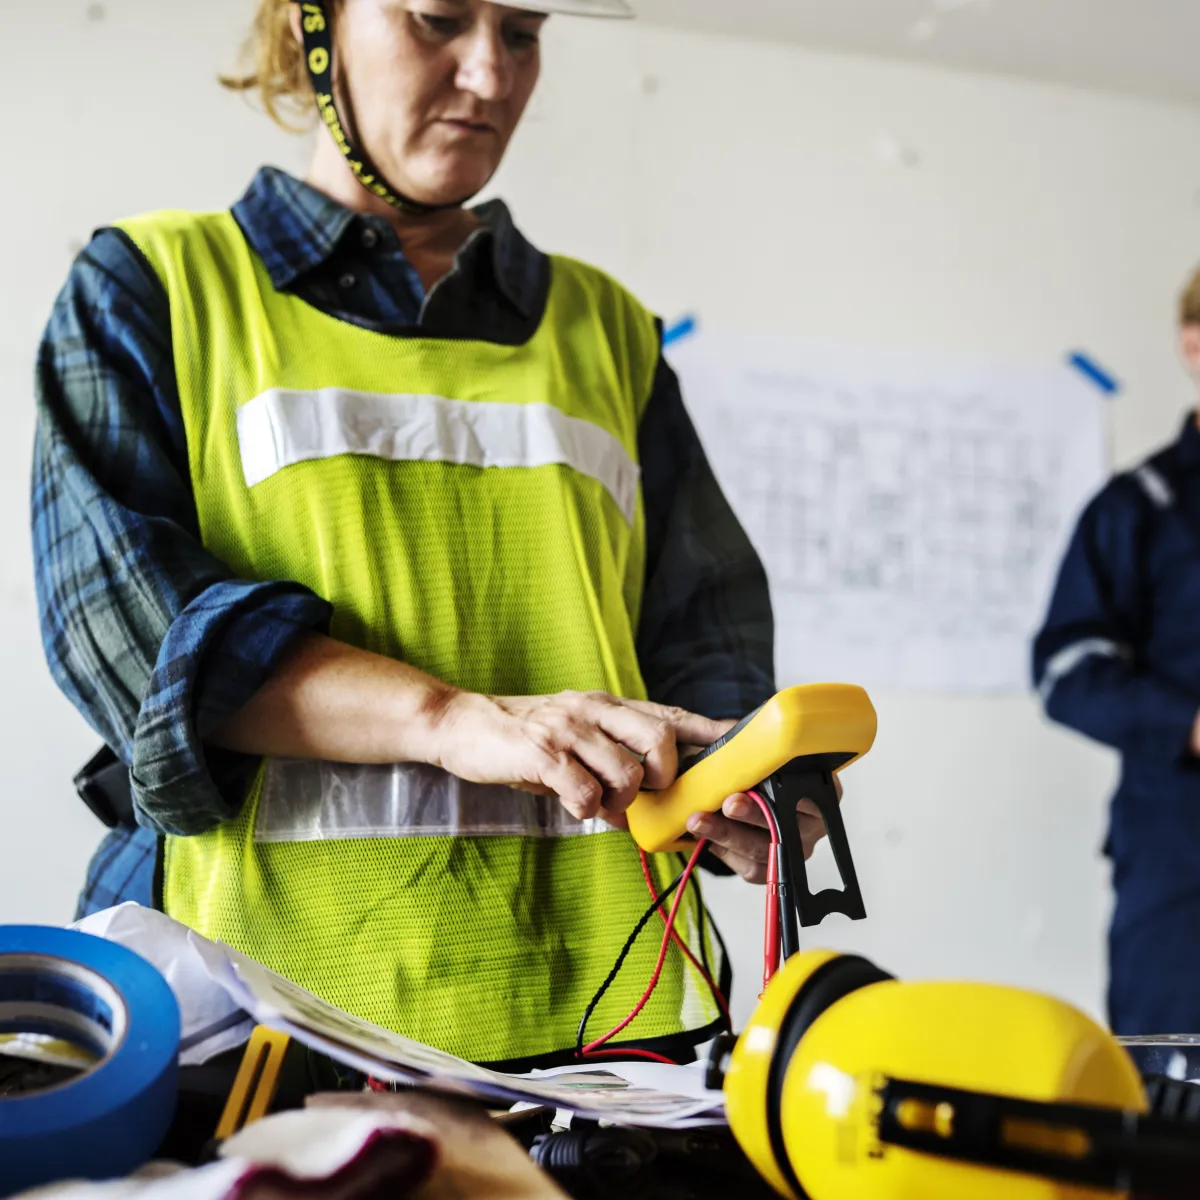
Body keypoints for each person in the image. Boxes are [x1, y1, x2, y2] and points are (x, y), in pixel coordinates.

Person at [32, 0, 830, 1068]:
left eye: (524, 32)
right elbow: (135, 647)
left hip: (611, 1035)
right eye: (439, 18)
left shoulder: (609, 332)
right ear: (309, 27)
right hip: (257, 1021)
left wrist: (744, 784)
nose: (492, 76)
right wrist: (452, 719)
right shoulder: (154, 288)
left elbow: (703, 642)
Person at [1034, 266, 1200, 1036]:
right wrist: (1188, 724)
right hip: (1181, 861)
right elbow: (1065, 671)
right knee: (1172, 1081)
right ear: (1193, 344)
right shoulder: (1139, 507)